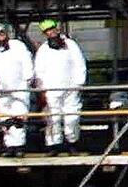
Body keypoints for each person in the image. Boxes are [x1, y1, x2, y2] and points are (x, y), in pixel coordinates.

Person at [33, 19, 87, 154]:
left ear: (57, 29)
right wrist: (42, 89)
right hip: (51, 89)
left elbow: (79, 64)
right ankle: (53, 145)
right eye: (47, 31)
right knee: (53, 118)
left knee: (72, 117)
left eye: (52, 29)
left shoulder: (71, 45)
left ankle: (72, 142)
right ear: (44, 34)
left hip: (71, 88)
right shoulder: (43, 50)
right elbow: (39, 70)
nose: (51, 32)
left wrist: (78, 83)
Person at [0, 23, 34, 156]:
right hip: (2, 89)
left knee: (19, 118)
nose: (0, 36)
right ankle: (10, 146)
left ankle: (19, 147)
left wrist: (28, 78)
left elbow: (27, 61)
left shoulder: (18, 45)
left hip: (19, 87)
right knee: (5, 119)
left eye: (1, 33)